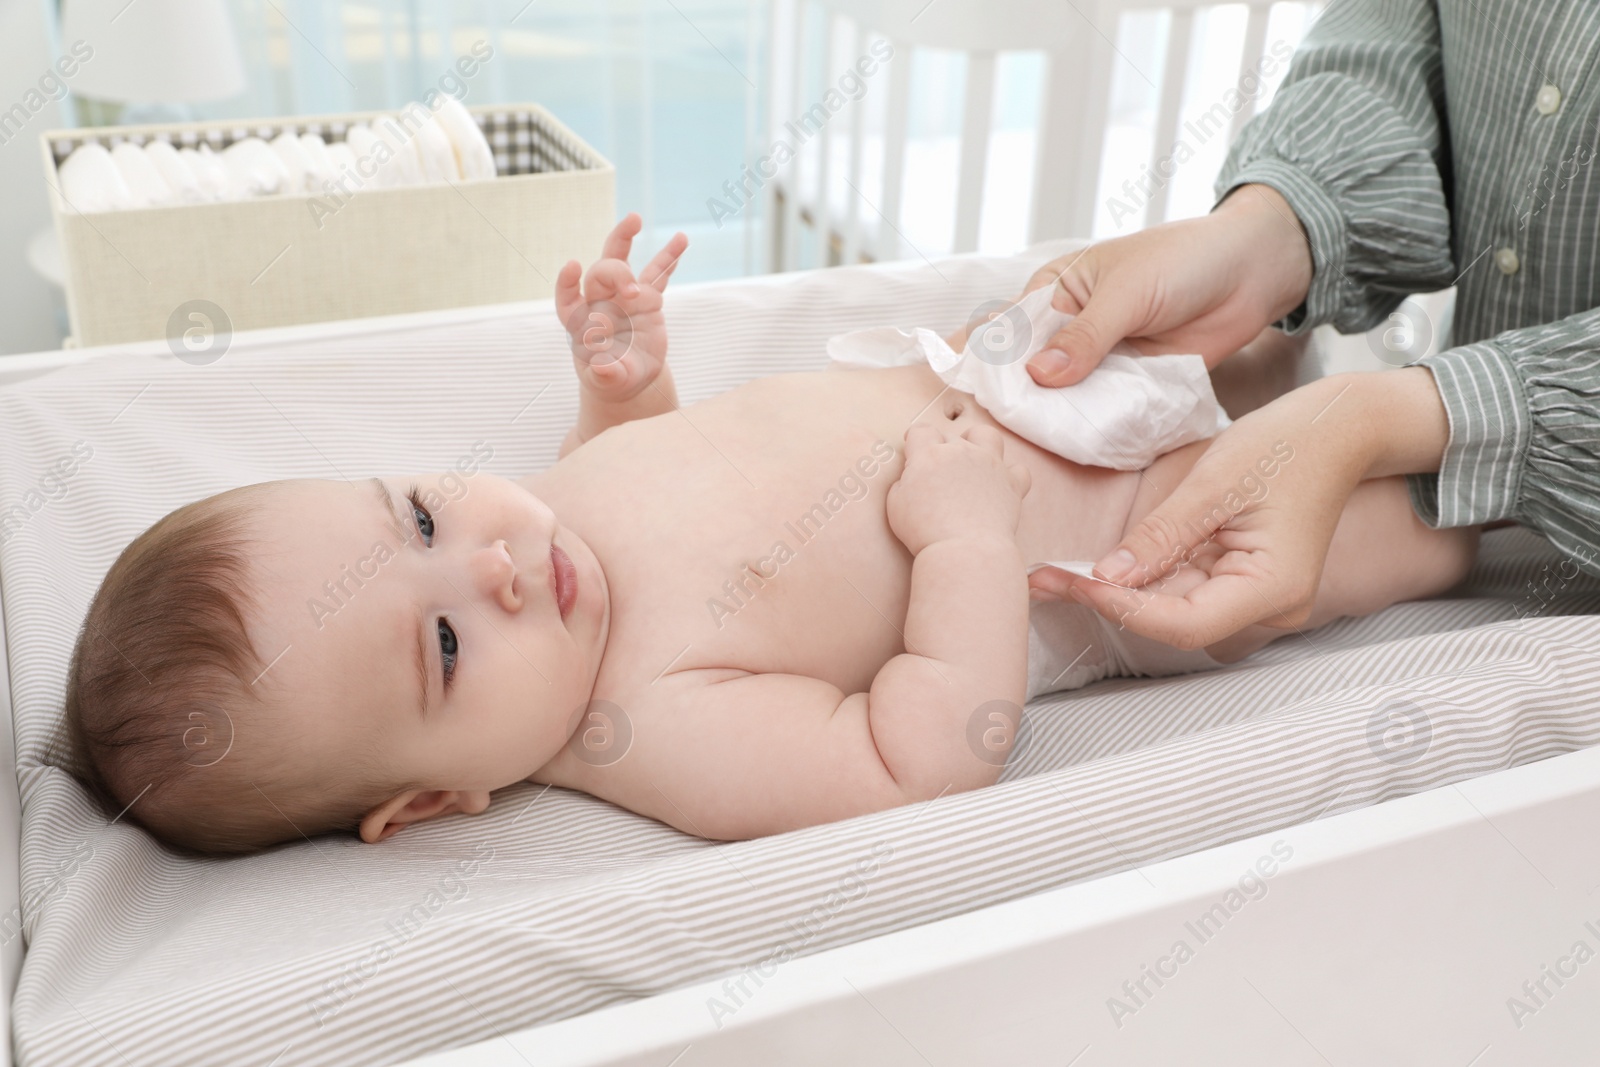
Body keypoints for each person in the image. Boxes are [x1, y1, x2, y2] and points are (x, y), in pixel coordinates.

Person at [57, 215, 1474, 855]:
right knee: (1426, 518)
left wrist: (623, 386)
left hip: (1036, 372)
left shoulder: (561, 530)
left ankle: (1414, 313)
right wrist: (969, 541)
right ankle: (1515, 479)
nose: (488, 561)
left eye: (418, 514)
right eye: (439, 641)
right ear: (429, 799)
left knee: (1302, 322)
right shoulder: (645, 725)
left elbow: (638, 468)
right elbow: (918, 761)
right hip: (1153, 535)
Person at [1024, 0, 1600, 651]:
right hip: (1442, 451)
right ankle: (1283, 376)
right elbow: (1404, 26)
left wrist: (1380, 423)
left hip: (1502, 493)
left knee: (1267, 542)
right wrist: (1276, 227)